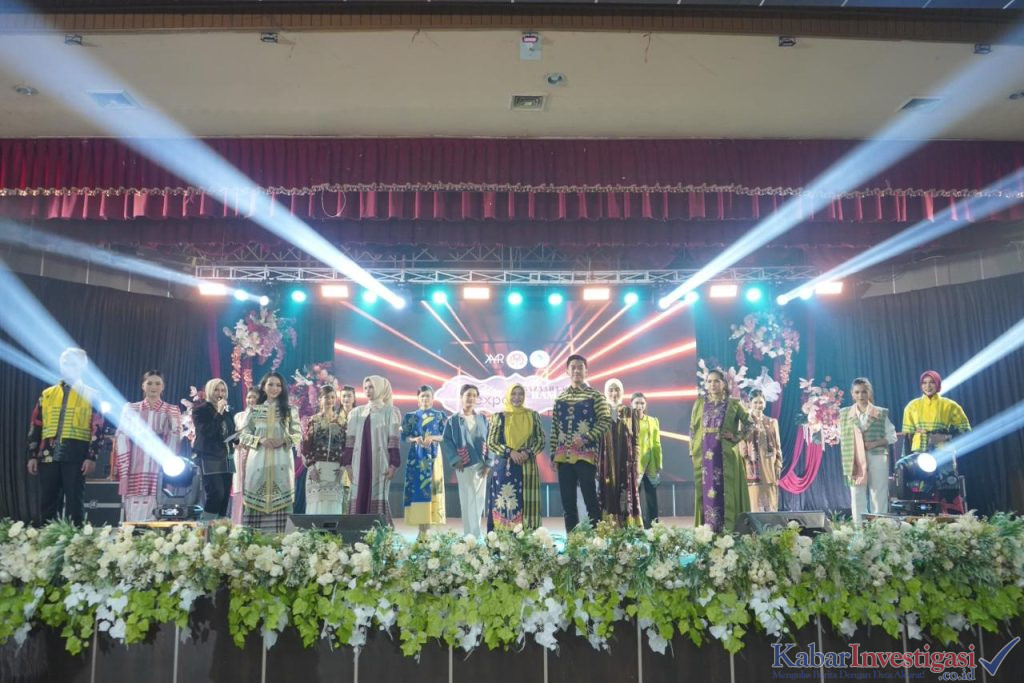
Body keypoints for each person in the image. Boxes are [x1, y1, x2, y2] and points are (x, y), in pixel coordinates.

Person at [26, 347, 102, 525]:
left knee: (75, 501)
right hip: (48, 454)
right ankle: (48, 536)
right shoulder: (47, 394)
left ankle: (74, 538)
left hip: (76, 454)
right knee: (48, 500)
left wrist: (91, 456)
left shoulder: (92, 395)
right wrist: (32, 455)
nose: (69, 367)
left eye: (73, 364)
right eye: (65, 363)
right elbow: (36, 425)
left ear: (82, 367)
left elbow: (98, 428)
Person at [551, 354, 612, 532]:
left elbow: (606, 421)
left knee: (591, 500)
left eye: (580, 367)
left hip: (586, 456)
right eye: (573, 367)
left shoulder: (595, 396)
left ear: (586, 371)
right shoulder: (560, 398)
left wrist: (586, 437)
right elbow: (555, 428)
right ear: (567, 371)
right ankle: (573, 540)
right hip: (563, 458)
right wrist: (553, 454)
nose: (576, 370)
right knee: (568, 503)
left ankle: (597, 540)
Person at [112, 370, 182, 522]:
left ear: (163, 387)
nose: (153, 387)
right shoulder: (131, 408)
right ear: (143, 386)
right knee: (134, 508)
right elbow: (121, 435)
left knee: (159, 504)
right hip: (135, 464)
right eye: (149, 383)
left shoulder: (171, 409)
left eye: (157, 383)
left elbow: (175, 436)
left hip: (159, 466)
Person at [690, 368, 750, 533]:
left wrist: (736, 437)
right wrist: (692, 451)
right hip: (704, 456)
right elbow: (693, 429)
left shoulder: (734, 404)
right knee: (708, 491)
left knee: (725, 490)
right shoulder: (700, 403)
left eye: (716, 381)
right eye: (709, 381)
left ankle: (728, 529)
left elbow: (750, 424)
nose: (712, 384)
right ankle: (708, 531)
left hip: (725, 455)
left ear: (724, 383)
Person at [239, 372, 301, 532]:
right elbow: (243, 435)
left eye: (278, 385)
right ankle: (253, 543)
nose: (275, 388)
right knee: (254, 508)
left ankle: (282, 543)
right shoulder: (253, 411)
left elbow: (298, 435)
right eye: (271, 384)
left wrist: (284, 440)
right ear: (263, 387)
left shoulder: (290, 411)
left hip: (282, 463)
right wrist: (260, 440)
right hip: (257, 464)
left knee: (282, 507)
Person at [485, 383, 545, 531]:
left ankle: (527, 539)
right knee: (505, 502)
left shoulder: (532, 416)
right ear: (508, 395)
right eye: (513, 394)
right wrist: (510, 452)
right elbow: (491, 442)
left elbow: (540, 440)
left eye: (520, 394)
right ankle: (502, 539)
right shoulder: (499, 417)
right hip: (505, 468)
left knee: (527, 503)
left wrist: (527, 452)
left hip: (527, 466)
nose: (517, 397)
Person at [342, 375, 401, 523]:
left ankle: (378, 532)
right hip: (358, 463)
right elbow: (350, 441)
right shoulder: (356, 412)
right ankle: (357, 531)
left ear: (380, 388)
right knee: (358, 494)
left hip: (380, 462)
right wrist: (348, 464)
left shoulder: (390, 412)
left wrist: (394, 464)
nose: (368, 391)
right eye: (365, 388)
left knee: (378, 495)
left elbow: (393, 441)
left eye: (371, 387)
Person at [839, 378, 897, 522]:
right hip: (854, 458)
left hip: (877, 456)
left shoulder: (880, 412)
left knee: (878, 493)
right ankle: (859, 528)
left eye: (864, 392)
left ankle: (880, 526)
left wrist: (875, 443)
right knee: (857, 493)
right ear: (852, 394)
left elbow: (892, 436)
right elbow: (839, 434)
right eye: (857, 392)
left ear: (869, 393)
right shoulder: (844, 414)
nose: (861, 395)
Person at [441, 384, 490, 536]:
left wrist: (489, 463)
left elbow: (491, 440)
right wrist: (455, 459)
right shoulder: (453, 420)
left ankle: (472, 535)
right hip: (464, 463)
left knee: (479, 499)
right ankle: (471, 535)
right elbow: (447, 441)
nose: (471, 398)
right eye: (468, 395)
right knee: (467, 498)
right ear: (461, 397)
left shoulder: (482, 418)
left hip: (481, 464)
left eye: (474, 395)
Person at [404, 385, 448, 535]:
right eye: (422, 396)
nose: (425, 398)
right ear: (417, 398)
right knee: (418, 490)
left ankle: (427, 531)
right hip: (416, 457)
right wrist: (414, 439)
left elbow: (444, 436)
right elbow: (405, 437)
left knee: (431, 489)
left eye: (427, 395)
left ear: (433, 398)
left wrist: (432, 438)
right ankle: (420, 530)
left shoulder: (440, 415)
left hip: (433, 456)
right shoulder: (410, 416)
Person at [597, 378, 642, 526]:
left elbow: (636, 440)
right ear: (606, 392)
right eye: (610, 390)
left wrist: (636, 463)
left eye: (617, 390)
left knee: (625, 490)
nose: (614, 393)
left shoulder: (630, 412)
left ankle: (626, 524)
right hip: (605, 461)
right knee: (607, 489)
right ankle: (608, 524)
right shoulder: (600, 413)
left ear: (621, 392)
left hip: (625, 461)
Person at [191, 378, 235, 517]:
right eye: (216, 390)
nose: (220, 393)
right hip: (210, 456)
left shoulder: (227, 414)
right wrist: (219, 412)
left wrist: (239, 437)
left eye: (223, 390)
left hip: (227, 457)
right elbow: (208, 432)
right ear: (209, 391)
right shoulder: (200, 410)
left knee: (225, 497)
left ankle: (221, 528)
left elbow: (229, 433)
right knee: (216, 494)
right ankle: (205, 526)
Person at [301, 385, 349, 515]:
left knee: (333, 506)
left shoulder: (342, 422)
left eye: (333, 397)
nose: (330, 400)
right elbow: (306, 446)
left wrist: (342, 468)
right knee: (316, 505)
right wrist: (311, 468)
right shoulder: (313, 420)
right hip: (317, 468)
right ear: (320, 399)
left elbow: (346, 447)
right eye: (326, 397)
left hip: (335, 469)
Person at [902, 370, 971, 454]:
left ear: (938, 383)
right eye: (924, 383)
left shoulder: (950, 405)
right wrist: (906, 457)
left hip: (943, 450)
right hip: (919, 452)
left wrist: (946, 437)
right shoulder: (912, 406)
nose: (928, 386)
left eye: (932, 382)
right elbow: (907, 436)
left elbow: (965, 430)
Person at [738, 389, 783, 513]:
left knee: (770, 495)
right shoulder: (744, 421)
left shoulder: (772, 422)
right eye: (755, 402)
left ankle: (771, 522)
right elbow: (741, 442)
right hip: (752, 464)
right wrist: (746, 459)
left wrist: (778, 464)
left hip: (769, 464)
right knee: (754, 496)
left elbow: (777, 445)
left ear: (765, 404)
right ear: (750, 403)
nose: (758, 405)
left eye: (761, 402)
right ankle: (754, 523)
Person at [631, 392, 663, 529]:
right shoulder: (627, 422)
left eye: (642, 403)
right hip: (633, 465)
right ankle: (635, 527)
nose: (639, 406)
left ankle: (653, 528)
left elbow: (656, 443)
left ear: (645, 405)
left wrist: (658, 462)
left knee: (651, 498)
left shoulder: (652, 421)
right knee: (633, 498)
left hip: (650, 464)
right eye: (637, 403)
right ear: (631, 404)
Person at [230, 387, 260, 524]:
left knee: (253, 486)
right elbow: (234, 436)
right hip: (239, 454)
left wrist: (247, 441)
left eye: (254, 397)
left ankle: (252, 523)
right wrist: (236, 442)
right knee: (239, 486)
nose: (251, 400)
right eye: (249, 397)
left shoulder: (263, 417)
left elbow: (262, 439)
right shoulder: (239, 416)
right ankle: (237, 524)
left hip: (255, 455)